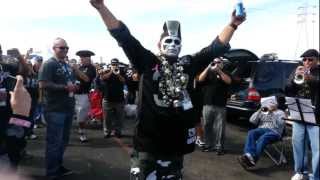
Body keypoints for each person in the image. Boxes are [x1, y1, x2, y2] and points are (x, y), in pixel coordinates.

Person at [90, 0, 246, 178]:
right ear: (159, 44)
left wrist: (233, 24)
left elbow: (214, 48)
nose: (172, 44)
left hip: (175, 143)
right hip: (148, 144)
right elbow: (124, 37)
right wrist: (102, 8)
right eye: (168, 40)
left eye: (176, 41)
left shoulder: (188, 63)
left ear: (181, 45)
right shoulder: (147, 61)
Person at [38, 38, 77, 179]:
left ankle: (58, 166)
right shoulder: (49, 64)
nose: (65, 50)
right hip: (55, 109)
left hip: (67, 107)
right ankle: (52, 173)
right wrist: (65, 87)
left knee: (63, 141)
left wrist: (73, 85)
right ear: (54, 48)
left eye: (67, 48)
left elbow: (70, 81)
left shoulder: (65, 64)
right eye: (62, 48)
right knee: (54, 143)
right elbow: (42, 84)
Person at [285, 49, 319, 180]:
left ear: (317, 60)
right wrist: (294, 79)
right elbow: (287, 88)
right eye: (304, 59)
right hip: (299, 113)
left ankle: (316, 176)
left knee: (317, 148)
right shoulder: (297, 70)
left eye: (310, 59)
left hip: (316, 116)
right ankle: (300, 172)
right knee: (298, 143)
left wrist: (312, 79)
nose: (307, 62)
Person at [237, 96, 286, 169]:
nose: (270, 105)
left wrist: (272, 113)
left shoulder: (281, 112)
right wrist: (259, 110)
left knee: (264, 138)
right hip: (262, 129)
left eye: (272, 103)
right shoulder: (263, 111)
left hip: (274, 132)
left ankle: (251, 159)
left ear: (276, 104)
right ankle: (249, 155)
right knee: (252, 132)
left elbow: (280, 124)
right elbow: (252, 120)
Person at [198, 57, 232, 154]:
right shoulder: (208, 73)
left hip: (220, 105)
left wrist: (219, 71)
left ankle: (219, 147)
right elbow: (200, 79)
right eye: (214, 62)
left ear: (222, 64)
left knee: (220, 128)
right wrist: (208, 67)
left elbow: (229, 81)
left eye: (218, 62)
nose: (216, 64)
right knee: (207, 126)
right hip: (207, 104)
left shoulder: (225, 72)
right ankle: (208, 145)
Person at [98, 58, 125, 138]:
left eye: (116, 64)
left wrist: (118, 74)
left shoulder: (122, 71)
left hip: (119, 99)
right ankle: (107, 131)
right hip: (107, 98)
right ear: (110, 64)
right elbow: (103, 78)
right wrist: (111, 71)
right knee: (107, 118)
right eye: (113, 64)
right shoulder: (106, 71)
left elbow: (123, 81)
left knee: (119, 118)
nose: (114, 65)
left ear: (118, 64)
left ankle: (118, 131)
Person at [74, 50, 97, 143]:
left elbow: (87, 79)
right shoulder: (79, 67)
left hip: (82, 95)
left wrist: (76, 69)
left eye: (83, 58)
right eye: (81, 58)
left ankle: (82, 132)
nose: (81, 59)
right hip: (72, 93)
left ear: (88, 58)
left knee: (81, 115)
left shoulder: (91, 68)